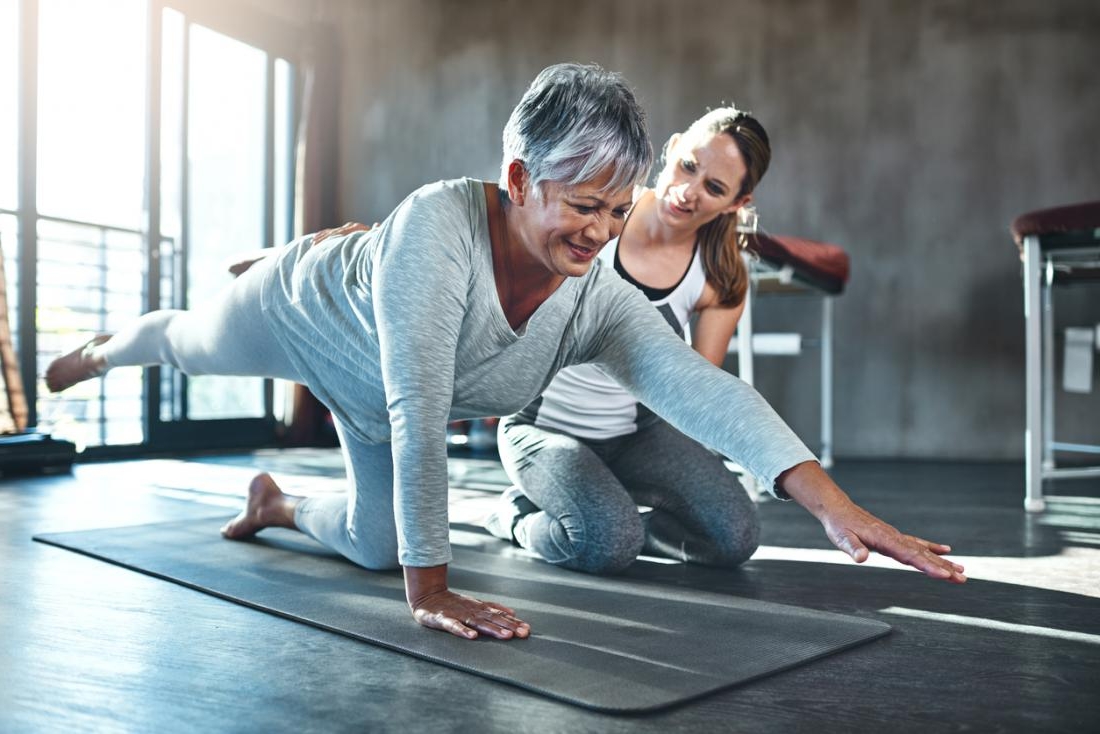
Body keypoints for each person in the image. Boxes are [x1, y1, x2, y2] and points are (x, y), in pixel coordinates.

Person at [46, 63, 965, 644]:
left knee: (373, 545)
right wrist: (435, 590)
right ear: (520, 178)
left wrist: (838, 509)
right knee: (192, 344)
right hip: (308, 317)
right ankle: (106, 344)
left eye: (615, 211)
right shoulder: (437, 235)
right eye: (579, 206)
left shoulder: (595, 292)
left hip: (372, 399)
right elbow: (420, 407)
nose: (600, 233)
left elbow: (693, 384)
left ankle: (275, 502)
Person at [490, 107, 774, 573]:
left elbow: (696, 392)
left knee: (734, 537)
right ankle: (517, 516)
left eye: (714, 188)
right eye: (688, 166)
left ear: (736, 204)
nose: (687, 192)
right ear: (675, 146)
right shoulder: (600, 212)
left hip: (637, 435)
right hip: (541, 428)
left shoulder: (719, 277)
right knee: (608, 545)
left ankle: (603, 518)